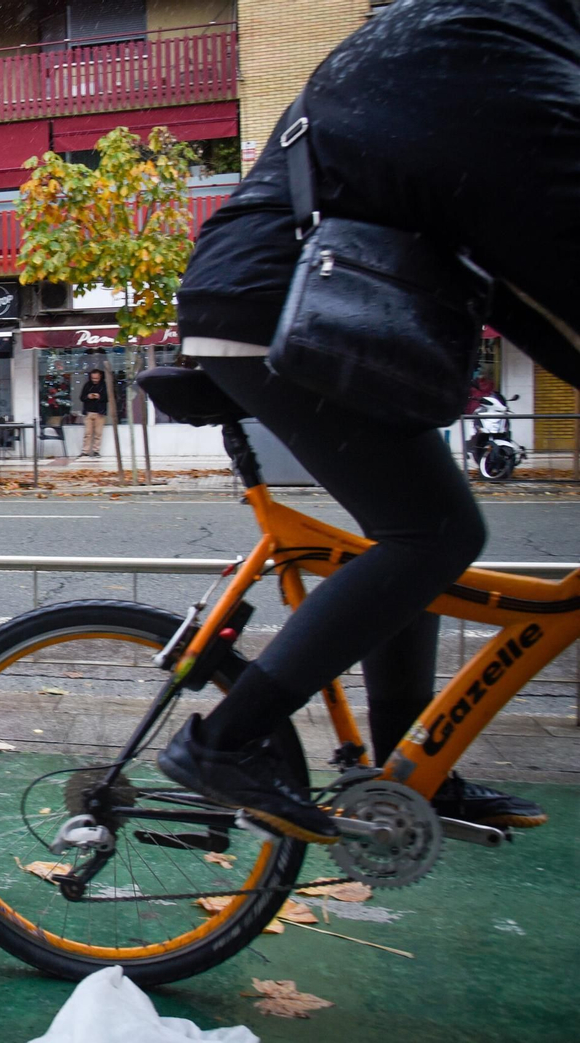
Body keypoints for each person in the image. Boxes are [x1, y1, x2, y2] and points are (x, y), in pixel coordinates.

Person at [157, 0, 580, 843]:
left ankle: (404, 766)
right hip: (278, 303)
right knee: (433, 531)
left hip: (299, 293)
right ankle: (223, 742)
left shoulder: (459, 42)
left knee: (414, 539)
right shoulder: (498, 65)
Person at [78, 369, 108, 457]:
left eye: (96, 378)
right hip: (89, 412)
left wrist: (100, 397)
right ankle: (85, 451)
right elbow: (82, 397)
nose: (95, 380)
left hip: (100, 413)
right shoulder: (87, 385)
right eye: (93, 378)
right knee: (87, 433)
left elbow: (108, 398)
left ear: (100, 377)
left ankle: (96, 451)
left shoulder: (104, 386)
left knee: (98, 433)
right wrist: (88, 396)